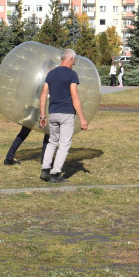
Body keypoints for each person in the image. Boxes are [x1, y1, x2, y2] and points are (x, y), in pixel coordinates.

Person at [39, 49, 89, 183]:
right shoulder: (72, 74)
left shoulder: (50, 74)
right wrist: (83, 119)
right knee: (64, 144)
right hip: (66, 113)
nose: (74, 64)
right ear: (70, 59)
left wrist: (43, 116)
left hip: (53, 113)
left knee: (52, 142)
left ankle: (45, 170)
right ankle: (55, 174)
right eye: (74, 61)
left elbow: (43, 95)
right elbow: (75, 97)